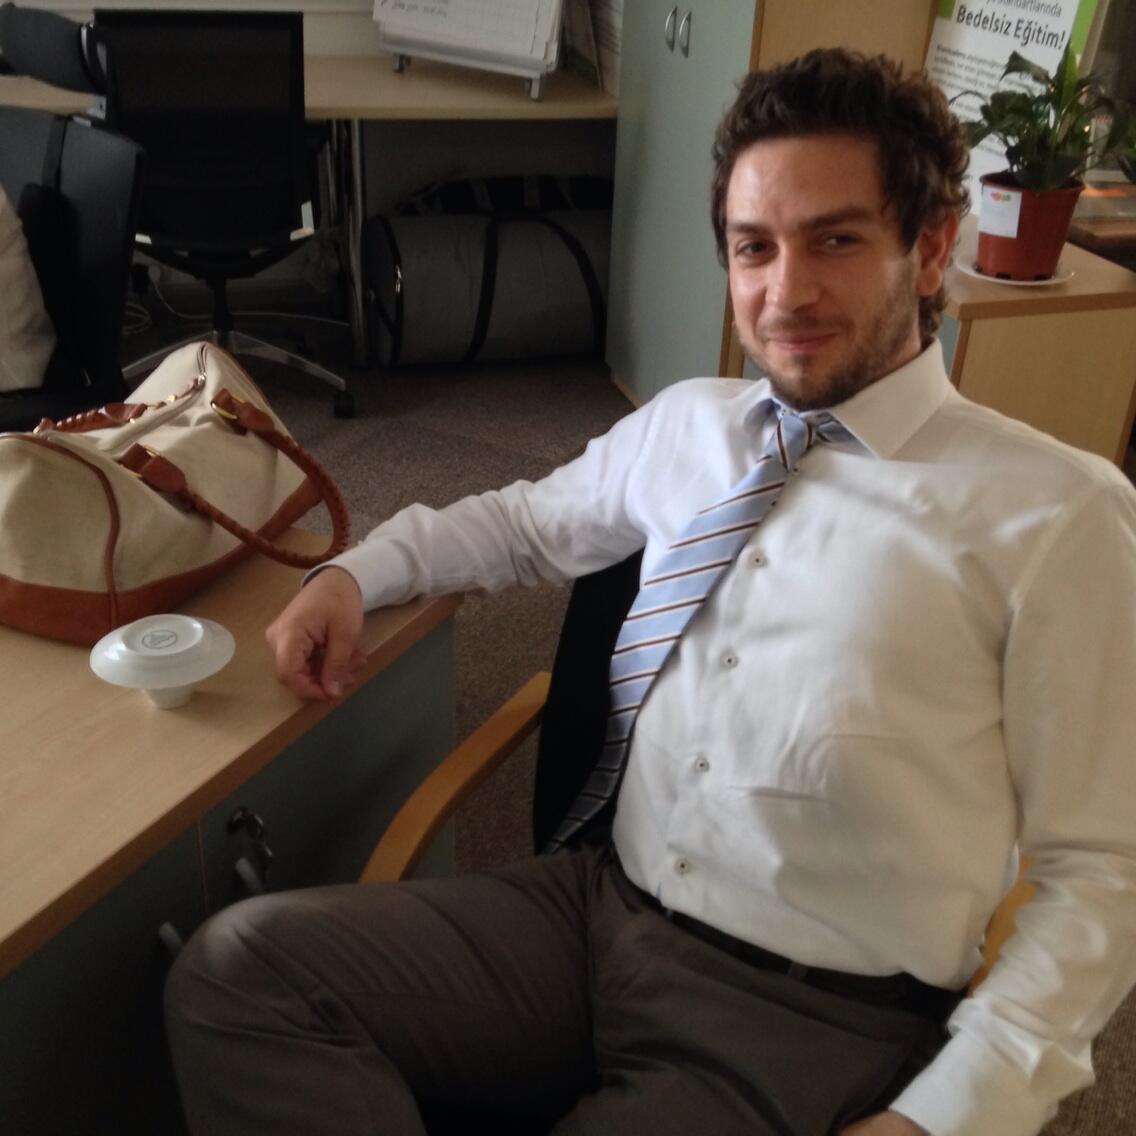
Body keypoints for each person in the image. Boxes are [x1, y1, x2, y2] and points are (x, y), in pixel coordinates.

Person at [164, 49, 1136, 1136]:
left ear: (932, 246)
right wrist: (355, 573)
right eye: (753, 246)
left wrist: (944, 1117)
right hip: (597, 911)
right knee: (240, 970)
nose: (784, 292)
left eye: (835, 240)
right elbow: (523, 524)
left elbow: (1100, 871)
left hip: (807, 1011)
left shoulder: (1054, 516)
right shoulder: (693, 424)